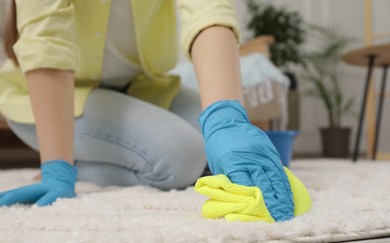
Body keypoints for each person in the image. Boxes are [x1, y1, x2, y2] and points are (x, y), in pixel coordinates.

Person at [0, 0, 294, 222]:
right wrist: (57, 168)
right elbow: (47, 40)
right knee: (183, 155)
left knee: (223, 150)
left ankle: (107, 157)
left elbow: (209, 10)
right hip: (55, 95)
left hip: (141, 88)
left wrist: (226, 117)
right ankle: (71, 167)